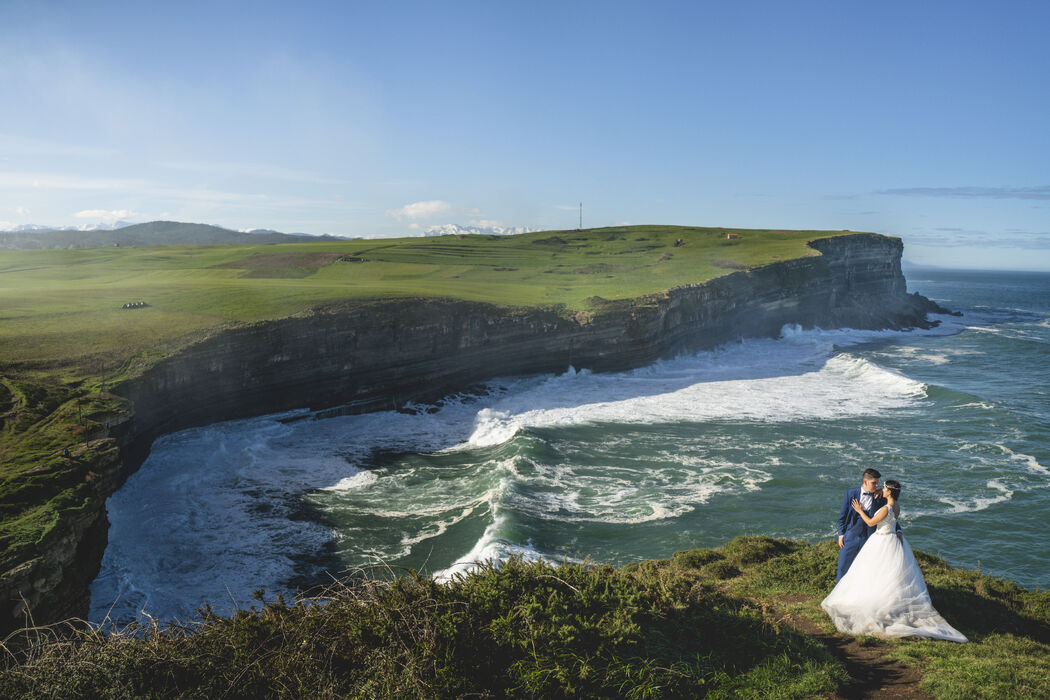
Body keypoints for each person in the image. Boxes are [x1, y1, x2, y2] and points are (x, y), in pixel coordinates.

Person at [821, 480, 967, 642]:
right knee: (886, 576)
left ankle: (875, 604)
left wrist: (860, 510)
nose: (881, 490)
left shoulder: (886, 508)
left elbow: (870, 522)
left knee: (872, 573)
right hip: (891, 541)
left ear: (889, 491)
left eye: (884, 488)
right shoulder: (896, 506)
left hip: (881, 541)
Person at [836, 468, 898, 581]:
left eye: (878, 483)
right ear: (865, 482)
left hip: (870, 540)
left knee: (865, 570)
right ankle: (838, 593)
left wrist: (898, 530)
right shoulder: (851, 494)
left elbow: (889, 516)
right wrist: (841, 534)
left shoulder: (880, 497)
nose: (876, 485)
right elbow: (842, 518)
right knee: (842, 567)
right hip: (851, 536)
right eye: (874, 483)